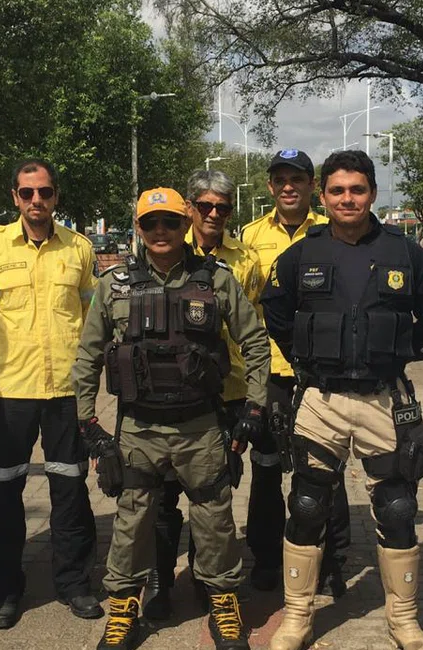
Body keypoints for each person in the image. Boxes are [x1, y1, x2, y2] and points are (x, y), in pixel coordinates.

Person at [260, 151, 423, 650]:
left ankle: (404, 621)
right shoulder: (302, 254)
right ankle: (298, 619)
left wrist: (408, 354)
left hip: (383, 401)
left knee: (396, 508)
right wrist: (303, 358)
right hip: (320, 401)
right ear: (323, 196)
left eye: (358, 189)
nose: (348, 198)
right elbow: (275, 309)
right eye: (338, 190)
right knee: (305, 504)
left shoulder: (404, 252)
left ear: (372, 193)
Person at [73, 187, 271, 650]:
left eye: (170, 223)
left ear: (185, 225)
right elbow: (86, 358)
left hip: (200, 426)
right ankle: (124, 608)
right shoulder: (114, 283)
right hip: (138, 428)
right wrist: (88, 425)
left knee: (215, 518)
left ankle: (223, 602)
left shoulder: (216, 279)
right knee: (132, 519)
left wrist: (256, 407)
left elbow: (256, 342)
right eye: (150, 223)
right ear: (138, 228)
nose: (161, 232)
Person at [0, 158, 102, 628]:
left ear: (56, 196)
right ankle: (4, 589)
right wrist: (9, 352)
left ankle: (73, 583)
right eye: (27, 193)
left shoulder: (80, 249)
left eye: (44, 192)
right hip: (8, 392)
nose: (36, 201)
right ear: (14, 197)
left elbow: (91, 315)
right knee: (2, 495)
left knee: (70, 488)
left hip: (66, 389)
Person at [143, 170, 264, 620]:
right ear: (189, 209)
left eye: (223, 208)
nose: (214, 215)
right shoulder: (166, 243)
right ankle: (158, 580)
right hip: (167, 396)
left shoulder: (246, 260)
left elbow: (253, 328)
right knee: (160, 495)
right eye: (206, 206)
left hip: (226, 392)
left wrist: (255, 398)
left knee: (212, 492)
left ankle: (205, 576)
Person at [239, 148, 353, 596]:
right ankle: (267, 560)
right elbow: (245, 310)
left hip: (322, 375)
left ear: (312, 186)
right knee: (266, 469)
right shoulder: (249, 238)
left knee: (327, 470)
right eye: (281, 179)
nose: (289, 186)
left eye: (298, 179)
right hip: (270, 372)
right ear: (271, 186)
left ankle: (331, 561)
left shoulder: (332, 234)